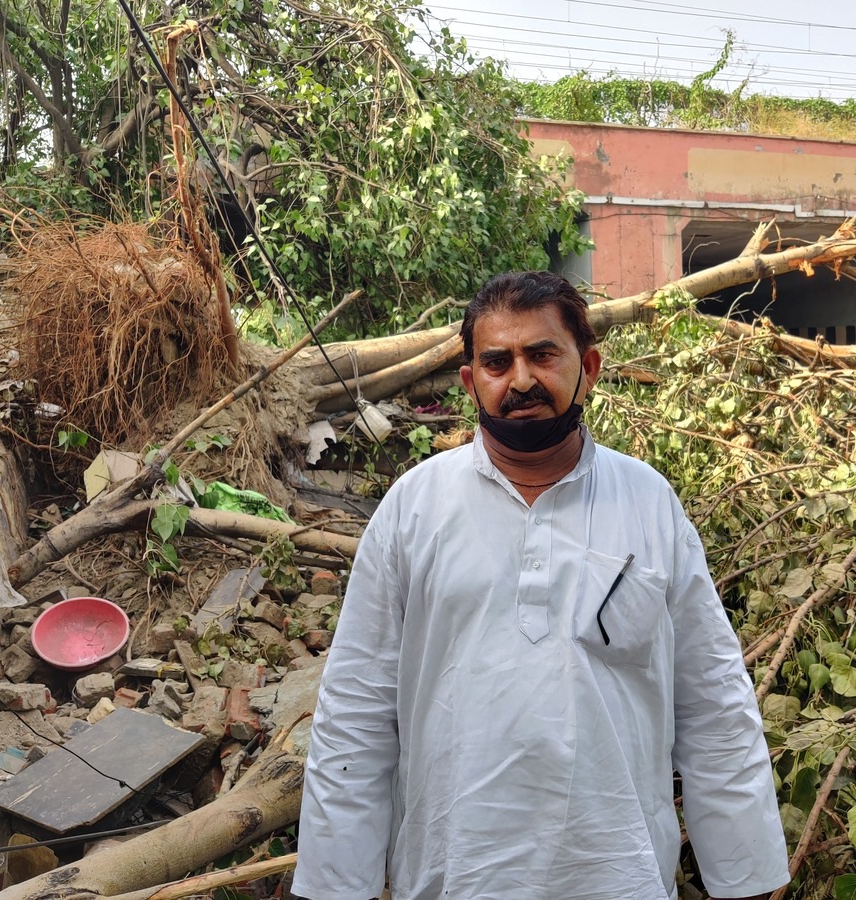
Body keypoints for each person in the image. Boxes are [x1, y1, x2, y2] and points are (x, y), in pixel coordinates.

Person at [292, 271, 789, 900]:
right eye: (497, 362)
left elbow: (713, 703)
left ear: (589, 367)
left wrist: (745, 879)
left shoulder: (647, 503)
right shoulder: (414, 508)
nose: (521, 380)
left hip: (620, 875)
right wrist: (338, 886)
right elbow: (357, 712)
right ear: (471, 381)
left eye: (542, 354)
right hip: (456, 875)